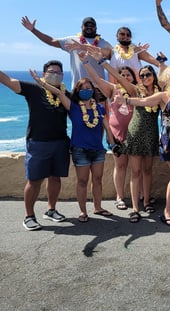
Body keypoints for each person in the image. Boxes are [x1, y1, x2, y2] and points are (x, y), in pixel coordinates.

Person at [0, 48, 70, 231]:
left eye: (59, 72)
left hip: (60, 141)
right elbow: (8, 81)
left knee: (55, 177)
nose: (56, 75)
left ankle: (51, 210)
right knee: (34, 180)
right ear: (44, 74)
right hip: (38, 142)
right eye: (51, 72)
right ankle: (29, 216)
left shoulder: (65, 93)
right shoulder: (34, 89)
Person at [31, 74, 115, 223]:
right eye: (82, 89)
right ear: (77, 91)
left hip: (98, 150)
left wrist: (113, 144)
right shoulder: (73, 107)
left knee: (97, 180)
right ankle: (83, 211)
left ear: (93, 90)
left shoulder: (100, 108)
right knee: (82, 181)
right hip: (80, 150)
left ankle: (98, 207)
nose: (86, 91)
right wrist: (40, 82)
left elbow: (107, 128)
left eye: (88, 88)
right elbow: (58, 93)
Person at [115, 63, 170, 226]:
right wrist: (125, 100)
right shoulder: (164, 96)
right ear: (167, 80)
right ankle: (167, 211)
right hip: (169, 141)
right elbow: (144, 101)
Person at [77, 50, 137, 211]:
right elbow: (96, 79)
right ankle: (120, 197)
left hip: (135, 134)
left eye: (128, 75)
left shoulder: (135, 91)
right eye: (122, 74)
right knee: (121, 165)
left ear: (133, 78)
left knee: (137, 168)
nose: (125, 77)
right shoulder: (112, 89)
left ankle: (139, 197)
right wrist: (86, 63)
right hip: (117, 133)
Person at [21, 16, 112, 86]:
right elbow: (51, 41)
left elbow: (111, 56)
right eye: (86, 25)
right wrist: (33, 30)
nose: (89, 27)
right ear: (81, 27)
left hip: (100, 88)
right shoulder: (72, 40)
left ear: (96, 28)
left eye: (92, 26)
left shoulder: (104, 43)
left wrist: (82, 46)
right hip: (78, 87)